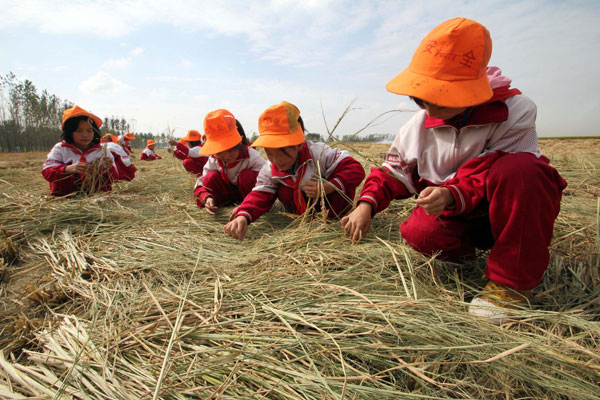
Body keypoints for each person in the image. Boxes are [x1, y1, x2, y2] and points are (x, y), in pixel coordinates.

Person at [341, 17, 567, 324]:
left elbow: (493, 171)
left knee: (523, 172)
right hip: (460, 216)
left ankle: (511, 284)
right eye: (422, 100)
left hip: (504, 208)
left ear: (472, 90)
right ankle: (472, 262)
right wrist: (366, 205)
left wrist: (451, 192)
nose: (430, 111)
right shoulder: (418, 125)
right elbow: (393, 172)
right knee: (419, 231)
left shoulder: (514, 112)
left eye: (441, 101)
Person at [224, 101, 366, 242]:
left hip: (330, 208)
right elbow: (260, 193)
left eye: (282, 151)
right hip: (299, 213)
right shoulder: (269, 168)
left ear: (298, 144)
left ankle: (333, 224)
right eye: (269, 152)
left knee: (345, 184)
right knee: (284, 191)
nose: (277, 160)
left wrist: (327, 187)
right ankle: (303, 221)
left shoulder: (319, 154)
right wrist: (244, 214)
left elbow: (356, 170)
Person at [194, 109, 266, 215]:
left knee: (245, 176)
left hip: (251, 197)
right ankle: (220, 206)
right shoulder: (214, 159)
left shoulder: (250, 155)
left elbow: (268, 179)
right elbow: (202, 182)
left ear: (239, 142)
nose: (226, 156)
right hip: (227, 197)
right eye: (220, 152)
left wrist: (248, 203)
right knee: (210, 177)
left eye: (231, 150)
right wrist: (207, 197)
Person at [42, 105, 117, 196]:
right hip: (65, 197)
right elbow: (47, 173)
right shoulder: (61, 149)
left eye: (89, 131)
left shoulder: (101, 151)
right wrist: (67, 169)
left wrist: (106, 169)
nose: (85, 135)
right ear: (70, 132)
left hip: (96, 196)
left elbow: (114, 177)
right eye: (79, 131)